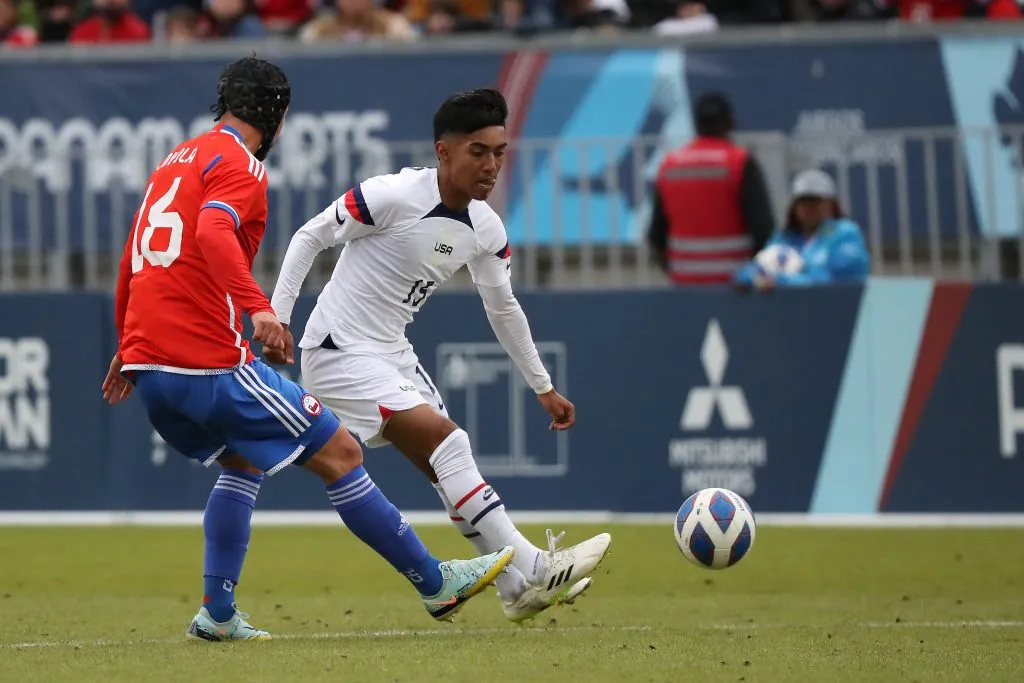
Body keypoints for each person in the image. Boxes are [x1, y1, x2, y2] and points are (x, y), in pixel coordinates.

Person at [100, 58, 514, 642]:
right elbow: (213, 231)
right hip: (206, 361)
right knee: (340, 451)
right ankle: (434, 582)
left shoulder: (176, 160)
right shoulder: (240, 164)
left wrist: (126, 346)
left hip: (151, 365)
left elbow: (131, 257)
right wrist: (260, 308)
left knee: (242, 462)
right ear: (275, 114)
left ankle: (217, 614)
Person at [267, 88, 611, 624]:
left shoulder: (486, 228)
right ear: (443, 151)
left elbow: (504, 308)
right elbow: (309, 236)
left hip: (391, 353)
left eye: (500, 152)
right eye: (479, 151)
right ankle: (536, 565)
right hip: (338, 349)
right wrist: (277, 316)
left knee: (447, 468)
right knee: (450, 443)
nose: (491, 165)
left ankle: (515, 589)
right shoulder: (392, 194)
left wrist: (542, 385)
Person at [647, 92, 775, 285]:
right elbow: (763, 230)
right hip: (736, 284)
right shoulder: (740, 162)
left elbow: (656, 234)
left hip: (686, 282)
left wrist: (674, 268)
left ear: (696, 125)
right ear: (729, 123)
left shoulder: (669, 165)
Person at [734, 169, 870, 289]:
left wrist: (781, 280)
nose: (809, 208)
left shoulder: (845, 234)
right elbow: (755, 267)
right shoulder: (784, 238)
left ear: (830, 204)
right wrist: (750, 278)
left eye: (816, 201)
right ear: (794, 206)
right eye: (803, 201)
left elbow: (830, 279)